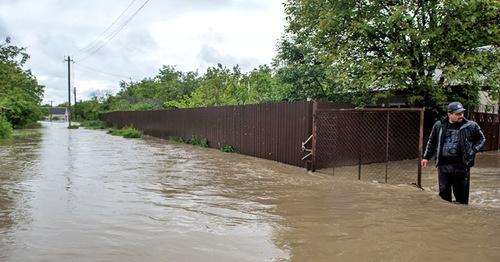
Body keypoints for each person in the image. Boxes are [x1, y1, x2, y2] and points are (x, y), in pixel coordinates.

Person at [421, 101, 485, 204]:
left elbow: (481, 139)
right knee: (444, 198)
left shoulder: (471, 126)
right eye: (458, 114)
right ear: (449, 114)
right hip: (444, 166)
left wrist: (473, 150)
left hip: (461, 166)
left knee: (461, 198)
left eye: (462, 113)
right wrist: (426, 157)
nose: (461, 116)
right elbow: (432, 142)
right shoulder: (439, 125)